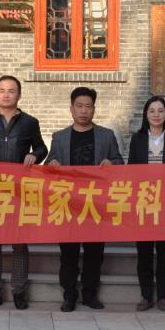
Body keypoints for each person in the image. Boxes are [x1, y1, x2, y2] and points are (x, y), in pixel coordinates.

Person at [0, 75, 48, 310]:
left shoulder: (30, 122)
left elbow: (42, 147)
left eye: (11, 91)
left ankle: (19, 291)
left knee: (19, 241)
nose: (6, 95)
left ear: (19, 95)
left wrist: (35, 155)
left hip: (20, 189)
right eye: (1, 90)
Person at [46, 86, 124, 312]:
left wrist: (112, 163)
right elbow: (49, 164)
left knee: (94, 253)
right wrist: (51, 164)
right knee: (68, 254)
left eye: (88, 106)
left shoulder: (106, 135)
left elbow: (120, 162)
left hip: (95, 204)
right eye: (79, 106)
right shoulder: (60, 137)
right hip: (68, 204)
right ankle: (69, 295)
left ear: (94, 109)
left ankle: (90, 294)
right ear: (71, 108)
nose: (83, 111)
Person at [127, 96, 165, 311]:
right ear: (146, 114)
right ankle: (146, 296)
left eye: (160, 110)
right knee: (144, 252)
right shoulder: (137, 139)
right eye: (152, 111)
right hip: (143, 202)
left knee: (164, 252)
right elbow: (131, 169)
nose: (156, 114)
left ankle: (162, 296)